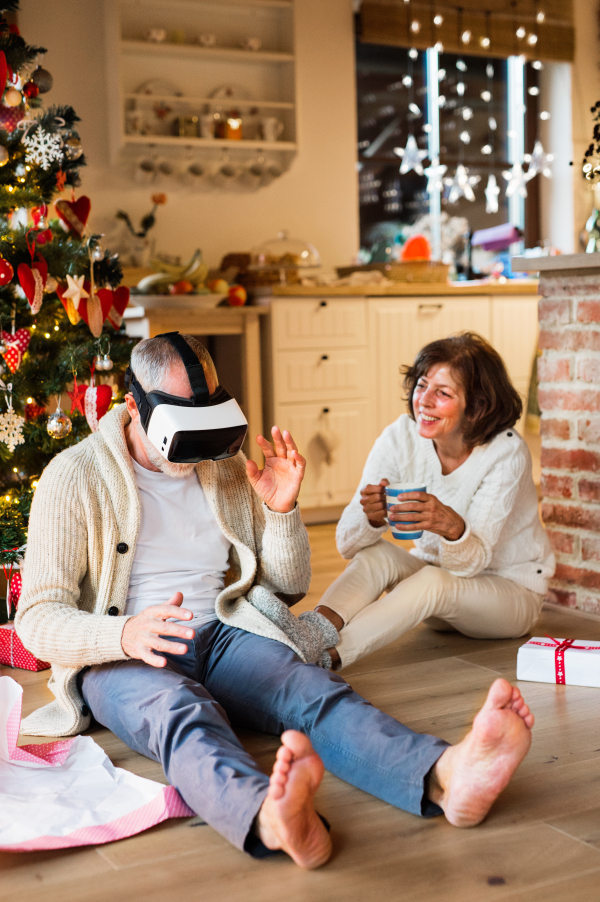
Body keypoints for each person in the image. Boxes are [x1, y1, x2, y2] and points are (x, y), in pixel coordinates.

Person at [16, 333, 535, 870]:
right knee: (182, 715)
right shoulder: (74, 476)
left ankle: (445, 777)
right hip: (125, 652)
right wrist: (122, 634)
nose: (199, 442)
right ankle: (269, 816)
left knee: (311, 689)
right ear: (134, 406)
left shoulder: (222, 461)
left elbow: (288, 587)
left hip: (221, 632)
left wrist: (282, 510)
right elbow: (35, 617)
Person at [316, 332, 555, 671]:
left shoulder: (505, 452)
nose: (423, 401)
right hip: (436, 593)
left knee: (434, 581)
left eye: (442, 393)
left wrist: (452, 526)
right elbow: (347, 543)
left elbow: (466, 567)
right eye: (422, 385)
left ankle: (323, 660)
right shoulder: (400, 436)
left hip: (510, 596)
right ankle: (307, 636)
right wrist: (371, 519)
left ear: (477, 407)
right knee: (376, 554)